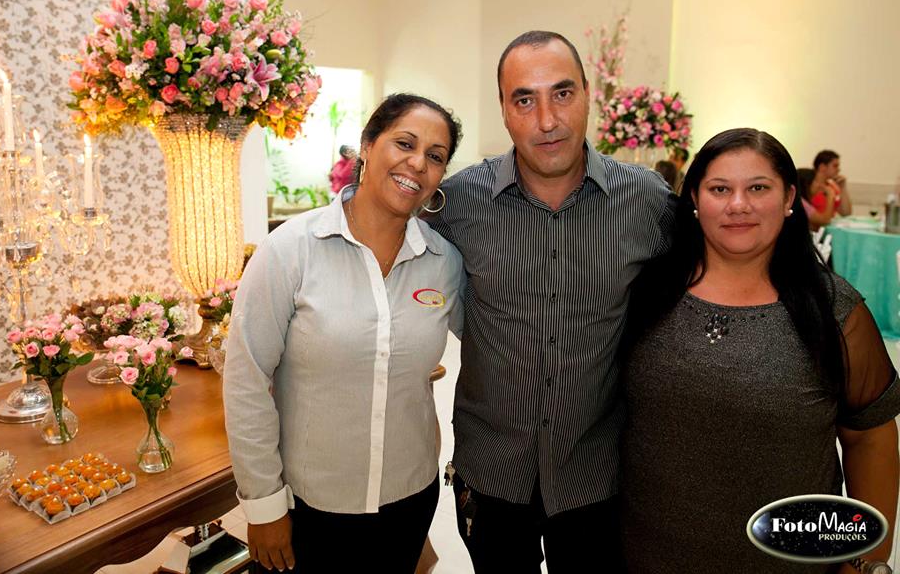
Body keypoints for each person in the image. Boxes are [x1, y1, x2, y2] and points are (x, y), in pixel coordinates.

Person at [426, 30, 675, 572]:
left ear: (588, 95)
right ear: (503, 109)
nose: (546, 120)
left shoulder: (647, 202)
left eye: (562, 94)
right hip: (491, 471)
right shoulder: (457, 202)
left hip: (597, 473)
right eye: (524, 100)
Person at [620, 128, 900, 574]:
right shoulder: (644, 292)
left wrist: (865, 560)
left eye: (758, 188)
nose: (738, 205)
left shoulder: (834, 310)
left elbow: (870, 437)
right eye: (719, 189)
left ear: (789, 198)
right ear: (694, 199)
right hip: (644, 556)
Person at [224, 93, 466, 573]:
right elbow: (245, 378)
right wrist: (264, 505)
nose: (418, 164)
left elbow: (496, 345)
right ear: (368, 145)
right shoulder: (290, 249)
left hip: (409, 499)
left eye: (435, 156)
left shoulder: (444, 262)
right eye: (405, 143)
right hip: (309, 507)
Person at [814, 149, 853, 216]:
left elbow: (846, 213)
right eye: (835, 166)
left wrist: (843, 187)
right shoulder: (809, 187)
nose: (838, 169)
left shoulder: (832, 187)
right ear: (822, 167)